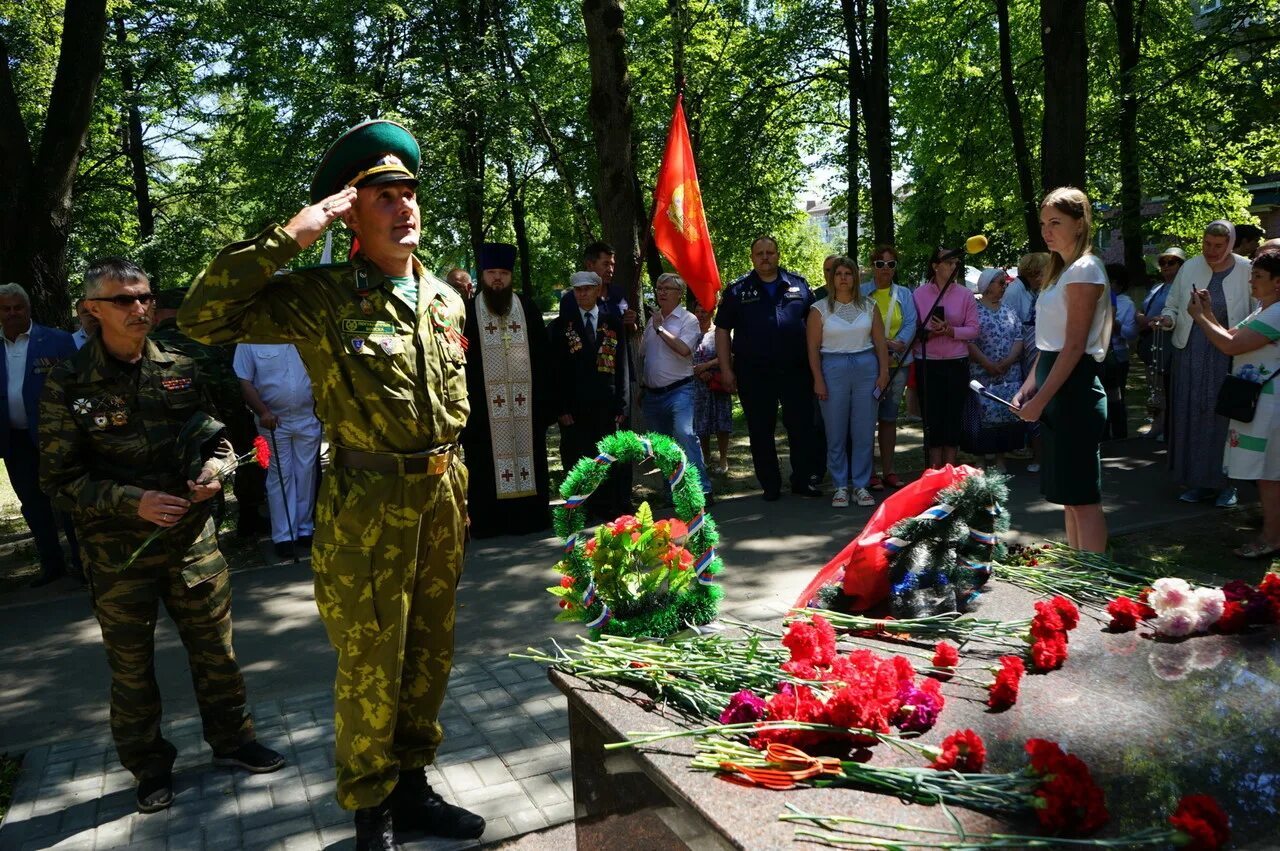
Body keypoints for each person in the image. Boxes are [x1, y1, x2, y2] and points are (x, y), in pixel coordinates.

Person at [180, 120, 485, 848]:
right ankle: (370, 808)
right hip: (367, 501)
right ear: (351, 211)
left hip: (442, 495)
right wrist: (292, 233)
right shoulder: (322, 298)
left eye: (409, 192)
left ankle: (412, 788)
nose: (403, 205)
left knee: (428, 653)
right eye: (384, 195)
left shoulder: (444, 297)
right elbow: (201, 315)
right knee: (373, 657)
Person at [39, 258, 285, 814]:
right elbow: (58, 480)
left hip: (193, 543)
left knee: (217, 653)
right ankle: (148, 767)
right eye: (125, 300)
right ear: (91, 310)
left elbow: (219, 439)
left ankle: (234, 741)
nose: (141, 308)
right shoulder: (68, 382)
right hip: (119, 552)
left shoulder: (181, 363)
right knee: (131, 667)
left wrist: (214, 474)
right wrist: (135, 501)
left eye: (146, 296)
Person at [1013, 187, 1111, 552]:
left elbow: (1073, 348)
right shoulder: (1060, 271)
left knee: (1083, 496)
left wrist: (1041, 399)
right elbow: (1049, 344)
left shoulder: (1086, 269)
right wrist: (1028, 387)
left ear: (1080, 223)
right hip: (1056, 383)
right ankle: (1079, 567)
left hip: (1075, 389)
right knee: (1069, 497)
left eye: (1055, 222)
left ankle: (1097, 575)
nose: (1046, 231)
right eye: (1043, 224)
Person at [152, 288, 269, 538]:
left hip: (177, 433)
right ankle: (249, 519)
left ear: (156, 314)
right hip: (223, 421)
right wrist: (235, 420)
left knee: (196, 482)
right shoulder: (207, 341)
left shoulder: (148, 345)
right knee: (229, 468)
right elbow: (230, 385)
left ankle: (208, 533)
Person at [1187, 249, 1280, 557]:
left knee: (1269, 474)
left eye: (1259, 276)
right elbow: (1229, 334)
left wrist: (1199, 318)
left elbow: (1230, 345)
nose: (1251, 280)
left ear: (1278, 283)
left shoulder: (1278, 312)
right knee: (1266, 473)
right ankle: (1272, 530)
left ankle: (1272, 537)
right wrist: (1209, 312)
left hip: (1269, 405)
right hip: (1257, 402)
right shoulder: (1263, 308)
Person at [460, 242, 554, 538]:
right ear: (482, 276)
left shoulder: (527, 309)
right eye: (491, 273)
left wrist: (545, 405)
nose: (497, 279)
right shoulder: (467, 312)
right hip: (483, 412)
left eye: (502, 273)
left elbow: (544, 360)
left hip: (525, 410)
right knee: (485, 464)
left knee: (530, 462)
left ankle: (531, 520)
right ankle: (489, 524)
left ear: (511, 275)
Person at [716, 236, 820, 500]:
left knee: (801, 427)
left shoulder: (798, 284)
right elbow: (722, 330)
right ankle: (770, 485)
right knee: (761, 430)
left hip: (796, 371)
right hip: (754, 373)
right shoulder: (738, 290)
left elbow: (816, 326)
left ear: (778, 255)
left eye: (770, 252)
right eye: (760, 253)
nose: (765, 257)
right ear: (752, 258)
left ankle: (802, 480)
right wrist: (726, 369)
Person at [1159, 220, 1253, 507]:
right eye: (1207, 244)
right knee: (1191, 415)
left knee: (1223, 418)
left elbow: (1257, 309)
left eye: (1218, 246)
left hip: (1228, 354)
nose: (1211, 250)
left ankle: (1227, 484)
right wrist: (1169, 319)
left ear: (1230, 244)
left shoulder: (1246, 268)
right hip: (1189, 354)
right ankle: (1198, 482)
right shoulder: (1190, 267)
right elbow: (1172, 304)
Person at [0, 283, 82, 585]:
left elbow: (78, 387)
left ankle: (82, 563)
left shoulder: (57, 341)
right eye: (5, 308)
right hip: (14, 441)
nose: (11, 313)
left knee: (68, 500)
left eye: (17, 307)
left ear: (28, 309)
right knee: (33, 505)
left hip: (57, 438)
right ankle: (51, 565)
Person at [808, 256, 889, 508]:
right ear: (831, 278)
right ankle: (841, 486)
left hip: (866, 367)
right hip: (832, 368)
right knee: (836, 431)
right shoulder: (819, 309)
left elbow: (880, 343)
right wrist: (818, 379)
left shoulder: (869, 306)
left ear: (855, 277)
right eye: (838, 273)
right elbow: (812, 348)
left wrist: (884, 373)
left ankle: (861, 485)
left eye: (848, 273)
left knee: (864, 430)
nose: (843, 277)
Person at [548, 271, 628, 520]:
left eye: (587, 289)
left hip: (606, 404)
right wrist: (560, 409)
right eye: (578, 289)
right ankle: (579, 508)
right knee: (577, 457)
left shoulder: (612, 322)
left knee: (605, 456)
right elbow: (555, 371)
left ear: (597, 290)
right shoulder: (562, 326)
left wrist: (622, 406)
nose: (582, 293)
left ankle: (606, 506)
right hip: (575, 407)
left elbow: (621, 365)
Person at [233, 343, 322, 559]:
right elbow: (244, 381)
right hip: (272, 420)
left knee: (306, 473)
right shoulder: (250, 340)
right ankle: (284, 536)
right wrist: (263, 411)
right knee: (281, 474)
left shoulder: (304, 332)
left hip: (308, 417)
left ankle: (304, 530)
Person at [640, 273, 712, 503]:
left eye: (667, 288)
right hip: (653, 395)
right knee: (661, 445)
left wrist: (661, 329)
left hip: (680, 390)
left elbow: (683, 349)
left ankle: (702, 489)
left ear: (679, 294)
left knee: (685, 434)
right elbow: (644, 355)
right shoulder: (653, 320)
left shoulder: (688, 320)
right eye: (659, 287)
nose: (661, 292)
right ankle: (672, 492)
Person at [913, 246, 980, 469]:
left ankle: (950, 471)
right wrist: (929, 332)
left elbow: (973, 330)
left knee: (953, 418)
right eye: (949, 263)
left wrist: (951, 331)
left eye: (956, 263)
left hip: (956, 363)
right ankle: (933, 470)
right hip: (928, 364)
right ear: (935, 266)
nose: (953, 267)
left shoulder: (965, 294)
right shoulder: (919, 294)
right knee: (932, 419)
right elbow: (912, 331)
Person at [861, 245, 917, 489]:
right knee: (866, 419)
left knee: (889, 418)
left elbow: (911, 323)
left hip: (898, 364)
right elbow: (860, 327)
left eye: (891, 264)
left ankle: (889, 470)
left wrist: (896, 345)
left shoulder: (904, 294)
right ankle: (869, 472)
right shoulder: (862, 293)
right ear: (872, 266)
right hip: (868, 363)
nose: (885, 269)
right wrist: (884, 345)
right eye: (880, 264)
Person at [962, 268, 1025, 471]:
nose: (1004, 286)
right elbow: (969, 341)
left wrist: (1008, 361)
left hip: (1008, 374)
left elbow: (1018, 338)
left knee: (1005, 416)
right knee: (982, 416)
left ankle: (1000, 458)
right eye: (1000, 283)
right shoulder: (975, 311)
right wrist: (986, 364)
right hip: (982, 374)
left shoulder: (1009, 311)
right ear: (988, 286)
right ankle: (980, 459)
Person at [1135, 246, 1185, 441]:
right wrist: (1143, 318)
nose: (1165, 266)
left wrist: (1155, 320)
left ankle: (1168, 428)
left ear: (1181, 265)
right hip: (1151, 342)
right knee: (1154, 386)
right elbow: (1141, 310)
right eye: (1162, 262)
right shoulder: (1157, 287)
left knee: (1167, 386)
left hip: (1169, 342)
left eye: (1171, 262)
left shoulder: (1183, 288)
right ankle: (1157, 425)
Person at [1013, 252, 1051, 473]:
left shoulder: (1046, 293)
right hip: (1032, 355)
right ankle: (1038, 455)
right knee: (1032, 401)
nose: (1036, 280)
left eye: (1038, 274)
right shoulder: (1028, 293)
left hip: (1042, 353)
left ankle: (1048, 455)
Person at [691, 301, 731, 477]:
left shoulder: (719, 333)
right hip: (697, 385)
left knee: (722, 422)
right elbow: (683, 356)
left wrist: (707, 366)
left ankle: (723, 458)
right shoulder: (690, 333)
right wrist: (698, 372)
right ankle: (705, 458)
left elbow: (729, 355)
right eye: (697, 311)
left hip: (718, 383)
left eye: (704, 311)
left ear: (711, 312)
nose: (700, 314)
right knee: (701, 425)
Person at [1102, 263, 1139, 440]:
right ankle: (1103, 434)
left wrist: (1117, 327)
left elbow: (1132, 333)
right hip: (1101, 354)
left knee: (1117, 397)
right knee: (1102, 397)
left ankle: (1120, 436)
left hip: (1117, 354)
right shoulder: (1100, 298)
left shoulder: (1126, 304)